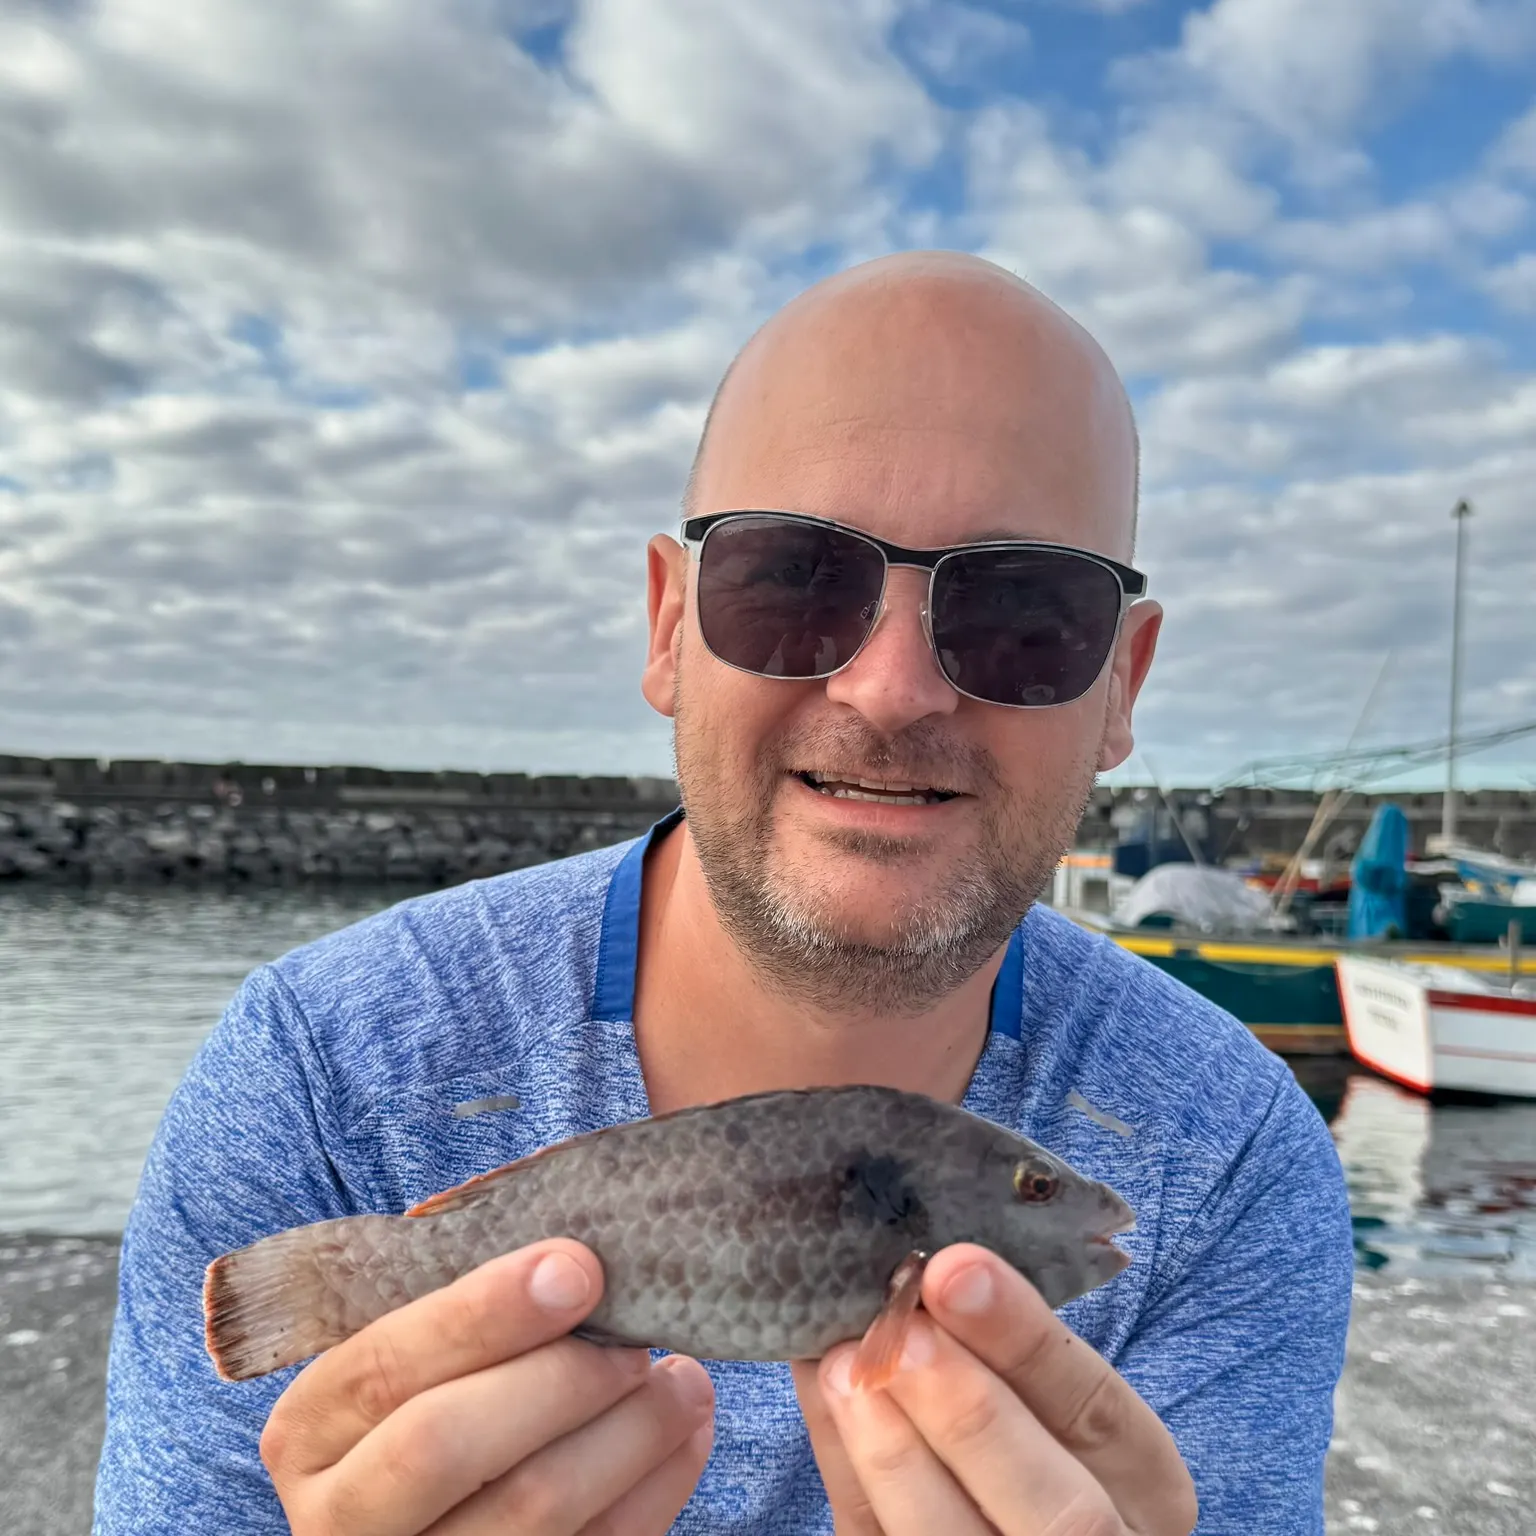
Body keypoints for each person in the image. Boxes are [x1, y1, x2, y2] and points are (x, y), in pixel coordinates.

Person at [93, 251, 1353, 1535]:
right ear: (666, 625)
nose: (891, 688)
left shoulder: (1231, 1162)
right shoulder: (320, 1075)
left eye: (1027, 610)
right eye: (795, 582)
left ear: (1123, 685)